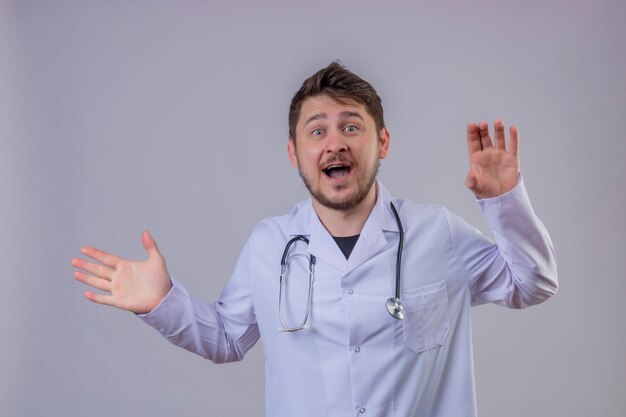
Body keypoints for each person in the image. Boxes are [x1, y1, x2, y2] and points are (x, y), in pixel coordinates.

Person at [72, 62, 558, 417]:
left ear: (381, 142)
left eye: (352, 126)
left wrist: (506, 202)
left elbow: (533, 283)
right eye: (317, 130)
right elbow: (226, 338)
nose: (335, 142)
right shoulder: (270, 244)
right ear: (294, 152)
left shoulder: (437, 233)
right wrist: (161, 301)